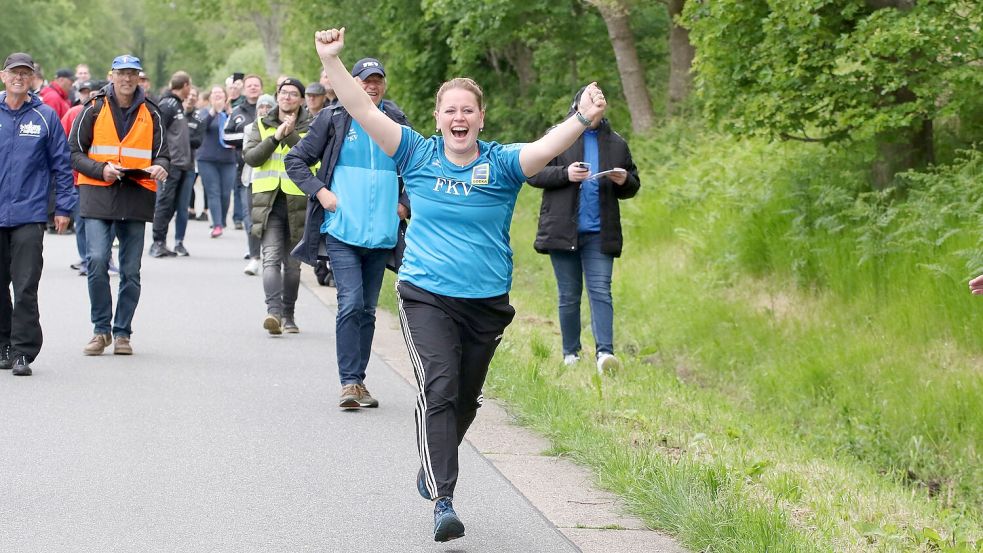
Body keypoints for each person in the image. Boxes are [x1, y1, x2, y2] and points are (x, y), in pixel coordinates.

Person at [312, 27, 607, 542]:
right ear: (437, 118)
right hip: (426, 293)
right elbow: (363, 110)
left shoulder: (501, 164)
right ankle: (443, 497)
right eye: (450, 110)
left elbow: (545, 147)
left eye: (467, 109)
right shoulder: (416, 154)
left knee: (466, 399)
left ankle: (435, 457)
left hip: (487, 302)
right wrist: (331, 61)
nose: (459, 118)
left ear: (480, 118)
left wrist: (582, 118)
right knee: (441, 387)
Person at [285, 57, 410, 410]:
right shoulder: (334, 117)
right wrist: (321, 193)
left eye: (378, 81)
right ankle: (349, 382)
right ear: (351, 83)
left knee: (368, 310)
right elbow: (295, 160)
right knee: (351, 301)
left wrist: (404, 202)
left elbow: (416, 169)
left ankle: (360, 381)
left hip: (382, 234)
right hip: (342, 230)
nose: (372, 86)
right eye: (365, 81)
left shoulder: (397, 121)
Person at [527, 87, 640, 374]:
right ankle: (571, 354)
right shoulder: (558, 137)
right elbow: (532, 173)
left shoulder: (616, 143)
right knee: (569, 294)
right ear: (576, 105)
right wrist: (565, 174)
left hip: (600, 232)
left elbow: (633, 183)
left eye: (598, 104)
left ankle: (605, 354)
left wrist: (624, 179)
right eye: (587, 102)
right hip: (562, 230)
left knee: (601, 290)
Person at [70, 54, 169, 356]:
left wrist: (161, 167)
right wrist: (101, 170)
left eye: (133, 74)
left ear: (140, 78)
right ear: (111, 75)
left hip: (135, 196)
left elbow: (162, 154)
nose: (127, 79)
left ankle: (123, 332)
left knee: (131, 270)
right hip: (98, 194)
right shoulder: (93, 109)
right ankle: (101, 330)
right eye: (122, 73)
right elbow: (74, 152)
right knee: (97, 261)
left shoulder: (152, 113)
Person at [0, 52, 77, 376]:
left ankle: (22, 352)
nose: (19, 78)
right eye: (14, 72)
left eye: (25, 73)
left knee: (26, 284)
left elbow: (62, 165)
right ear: (3, 76)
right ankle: (3, 343)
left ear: (32, 79)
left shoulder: (44, 116)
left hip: (29, 214)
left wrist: (63, 207)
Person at [244, 78, 313, 335]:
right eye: (283, 93)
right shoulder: (260, 125)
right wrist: (275, 137)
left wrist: (291, 134)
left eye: (294, 94)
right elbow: (251, 157)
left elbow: (314, 158)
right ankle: (273, 313)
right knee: (271, 258)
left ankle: (289, 315)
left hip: (298, 203)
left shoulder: (312, 126)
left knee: (293, 265)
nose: (287, 98)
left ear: (301, 100)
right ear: (277, 96)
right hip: (269, 203)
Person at [149, 71, 202, 258]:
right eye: (190, 86)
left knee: (172, 205)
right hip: (170, 164)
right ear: (185, 85)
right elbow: (157, 131)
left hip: (182, 164)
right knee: (164, 203)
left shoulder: (178, 105)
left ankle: (162, 242)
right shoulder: (168, 104)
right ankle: (157, 242)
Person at [223, 74, 264, 265]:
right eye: (250, 85)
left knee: (265, 216)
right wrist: (250, 135)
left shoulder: (269, 108)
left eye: (256, 85)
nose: (253, 88)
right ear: (244, 89)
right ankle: (254, 252)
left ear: (261, 88)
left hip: (267, 171)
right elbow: (226, 136)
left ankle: (268, 249)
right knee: (249, 215)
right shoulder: (238, 111)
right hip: (244, 169)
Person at [239, 93, 275, 275]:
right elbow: (249, 154)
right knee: (254, 221)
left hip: (274, 182)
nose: (264, 110)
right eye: (261, 106)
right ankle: (254, 257)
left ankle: (271, 257)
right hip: (253, 180)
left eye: (269, 106)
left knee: (272, 222)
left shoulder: (281, 128)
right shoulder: (249, 128)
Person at [197, 85, 237, 238]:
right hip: (207, 159)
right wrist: (214, 111)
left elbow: (238, 127)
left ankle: (221, 220)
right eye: (214, 93)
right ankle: (218, 225)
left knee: (226, 193)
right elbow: (200, 127)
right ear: (210, 98)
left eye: (220, 93)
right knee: (213, 192)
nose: (218, 95)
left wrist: (228, 112)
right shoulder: (204, 112)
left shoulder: (230, 113)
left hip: (228, 159)